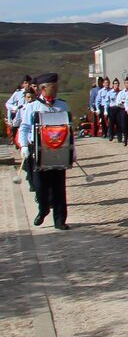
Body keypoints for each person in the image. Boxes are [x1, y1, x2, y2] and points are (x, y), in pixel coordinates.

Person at [19, 72, 73, 229]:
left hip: (59, 152)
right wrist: (23, 145)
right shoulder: (32, 107)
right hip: (38, 151)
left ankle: (60, 220)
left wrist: (72, 149)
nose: (56, 90)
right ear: (42, 89)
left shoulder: (63, 106)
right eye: (52, 87)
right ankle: (43, 209)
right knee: (40, 186)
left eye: (56, 87)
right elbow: (24, 128)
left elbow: (68, 129)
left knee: (59, 186)